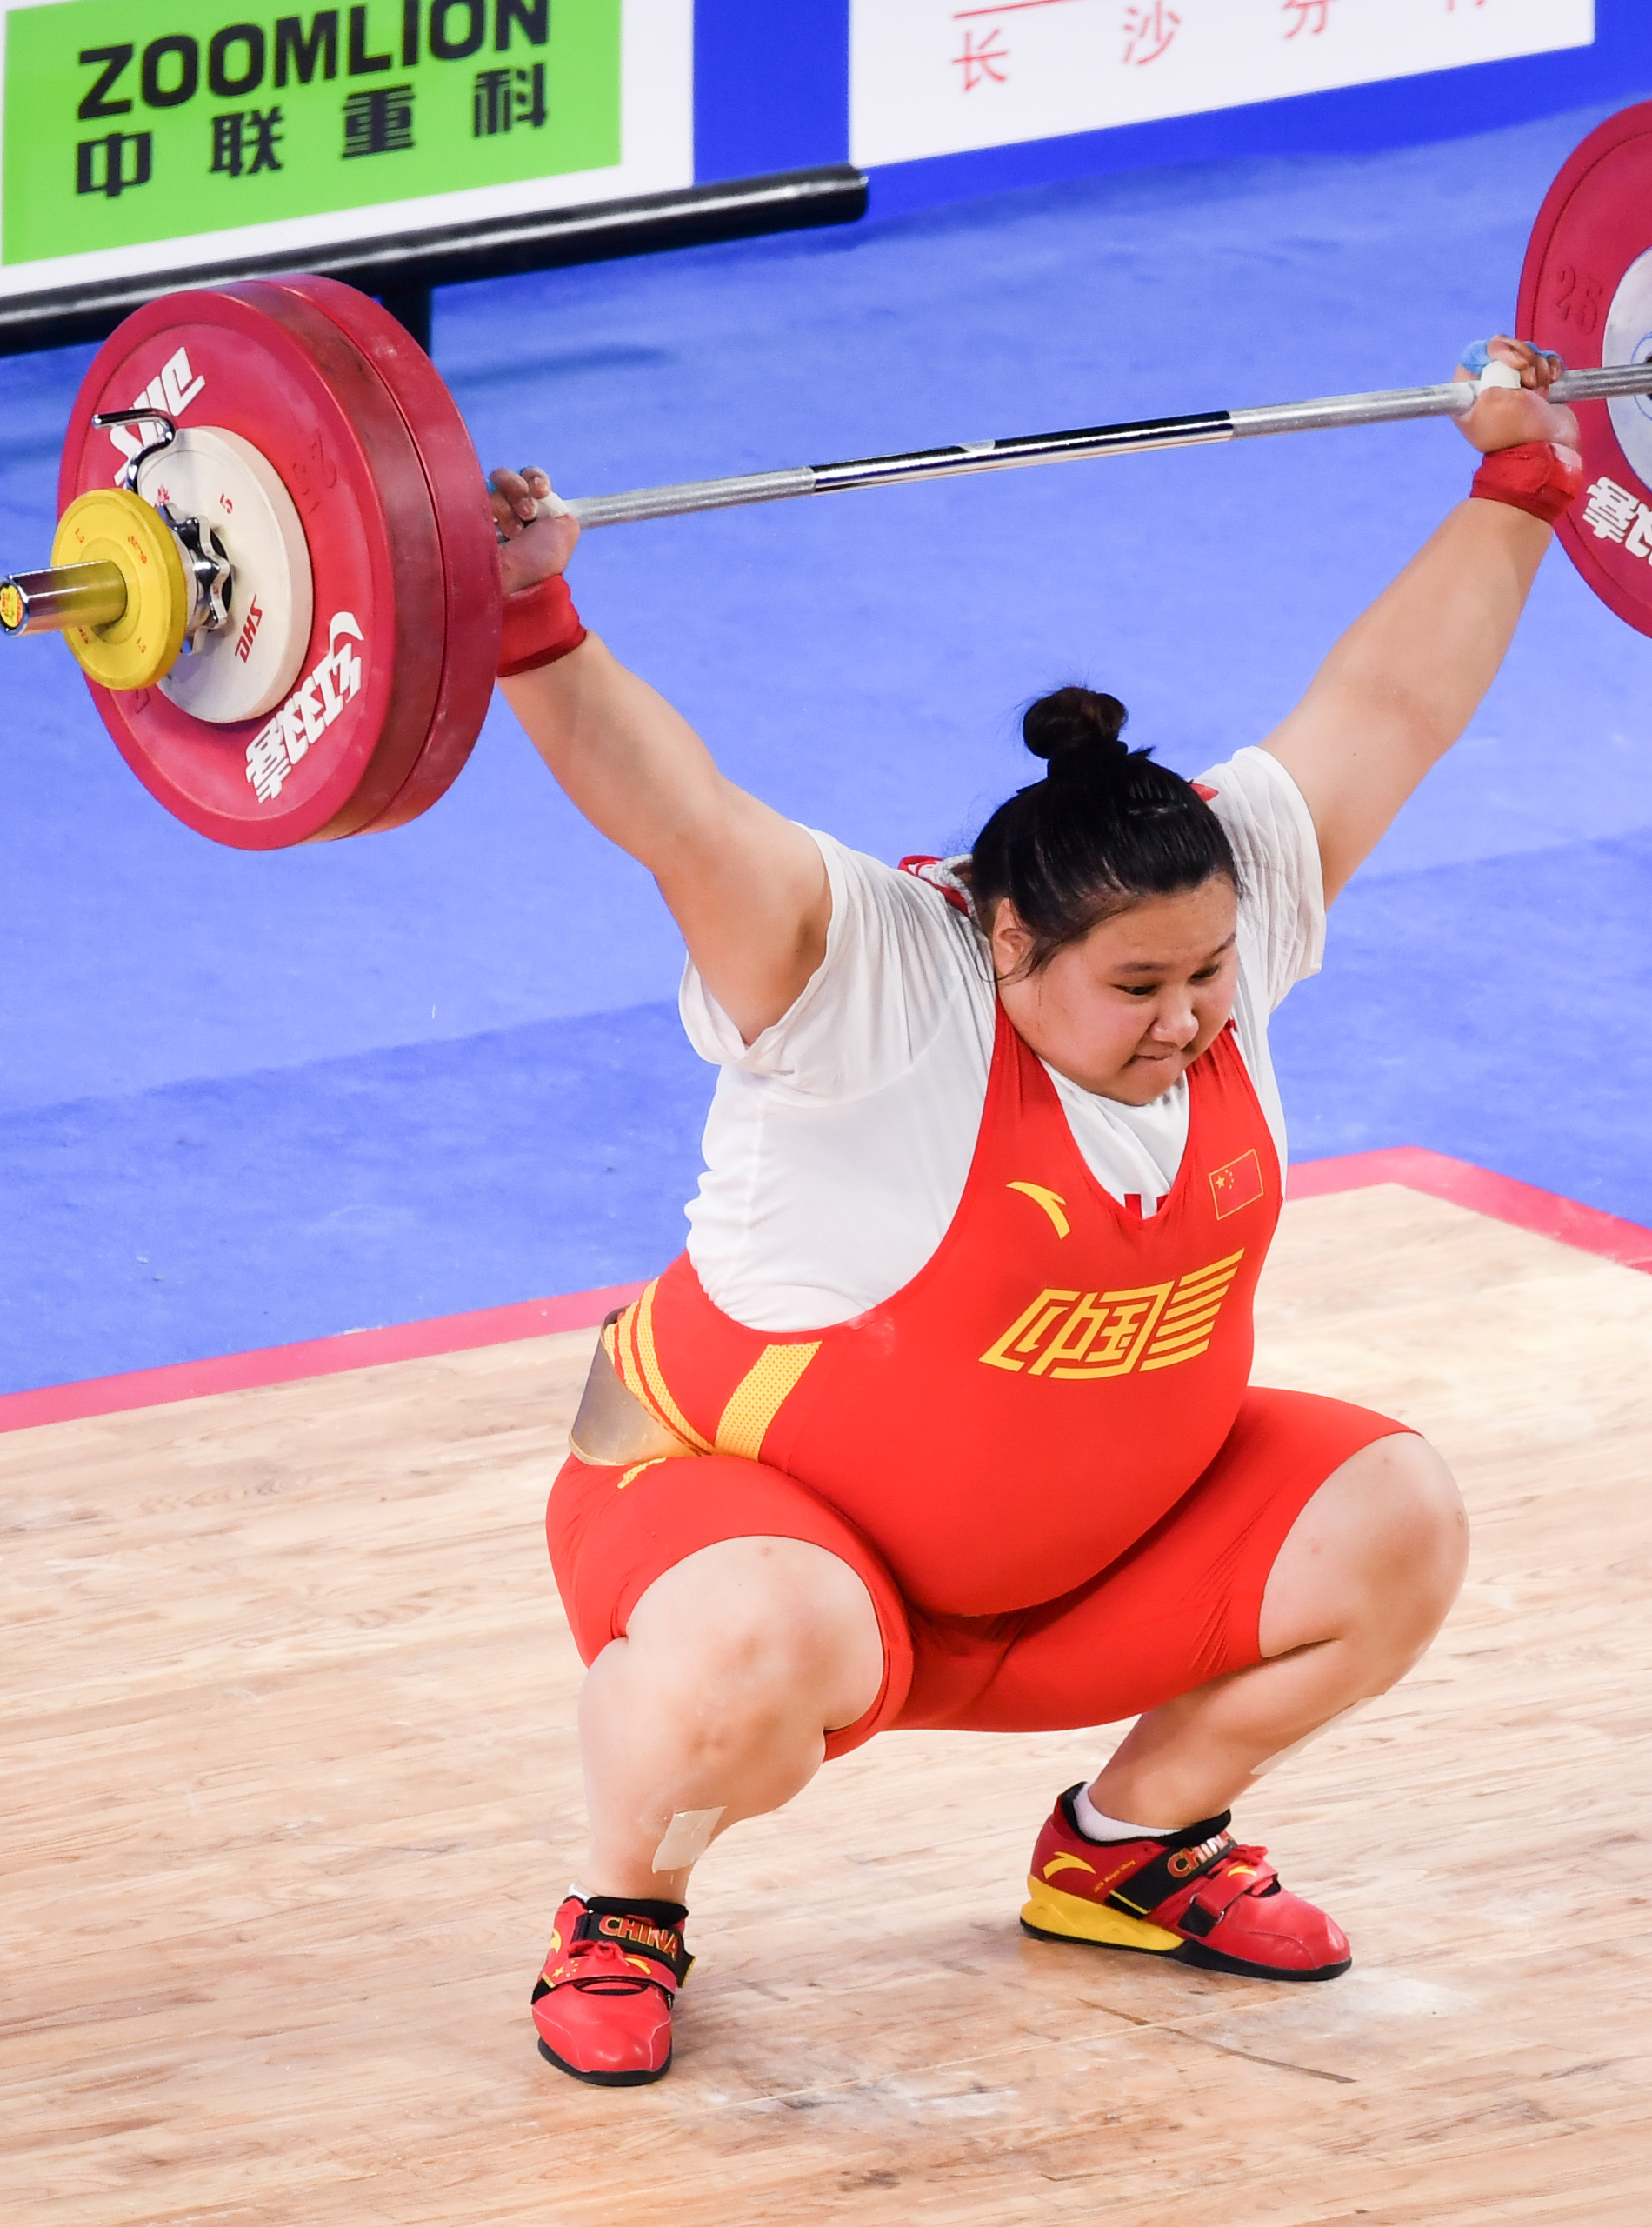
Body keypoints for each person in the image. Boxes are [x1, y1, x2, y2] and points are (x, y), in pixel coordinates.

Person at [481, 338, 1584, 2086]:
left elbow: (1390, 710)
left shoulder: (1218, 908)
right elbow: (677, 821)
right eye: (1138, 984)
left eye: (1211, 973)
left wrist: (1525, 480)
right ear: (1006, 944)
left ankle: (1129, 1850)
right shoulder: (871, 989)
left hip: (1087, 1574)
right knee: (753, 1652)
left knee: (1394, 1514)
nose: (1191, 1018)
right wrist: (530, 623)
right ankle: (627, 1904)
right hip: (773, 1557)